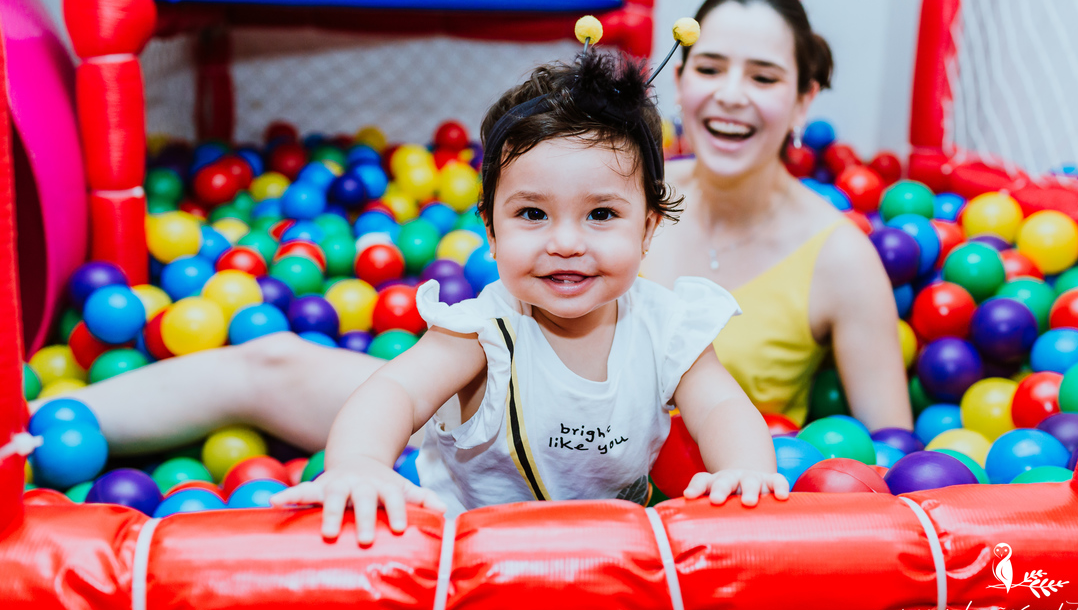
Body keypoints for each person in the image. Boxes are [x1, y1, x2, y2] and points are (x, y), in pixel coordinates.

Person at [267, 47, 788, 544]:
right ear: (492, 233)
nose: (565, 243)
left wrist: (744, 471)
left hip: (617, 561)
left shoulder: (668, 327)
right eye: (532, 214)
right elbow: (395, 392)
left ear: (648, 229)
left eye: (601, 214)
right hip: (469, 562)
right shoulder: (481, 333)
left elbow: (721, 406)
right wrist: (359, 465)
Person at [640, 0, 910, 431]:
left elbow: (894, 454)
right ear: (680, 81)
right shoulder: (623, 196)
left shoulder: (842, 257)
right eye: (709, 69)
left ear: (804, 102)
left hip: (746, 496)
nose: (730, 95)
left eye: (763, 77)